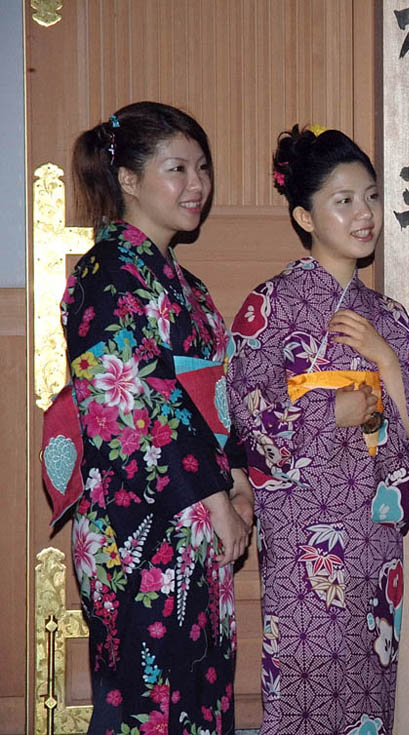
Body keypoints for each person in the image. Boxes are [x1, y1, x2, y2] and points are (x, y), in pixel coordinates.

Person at [226, 125, 409, 735]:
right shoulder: (269, 306)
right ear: (304, 217)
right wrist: (334, 411)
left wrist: (387, 362)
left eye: (372, 197)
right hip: (303, 535)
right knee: (303, 684)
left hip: (375, 533)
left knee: (369, 690)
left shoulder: (387, 316)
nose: (365, 214)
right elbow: (245, 411)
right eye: (345, 200)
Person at [62, 100, 252, 734]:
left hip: (201, 507)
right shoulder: (107, 273)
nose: (196, 184)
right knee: (146, 700)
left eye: (203, 167)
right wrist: (216, 499)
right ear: (128, 179)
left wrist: (240, 482)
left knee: (201, 687)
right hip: (139, 519)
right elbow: (135, 410)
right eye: (177, 168)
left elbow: (216, 399)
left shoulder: (188, 287)